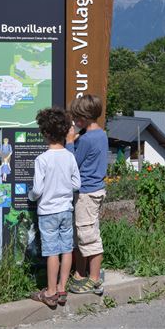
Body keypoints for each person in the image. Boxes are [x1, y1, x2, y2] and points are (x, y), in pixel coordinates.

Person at [29, 107, 81, 307]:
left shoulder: (42, 159)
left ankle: (49, 292)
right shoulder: (69, 157)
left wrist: (31, 196)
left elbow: (38, 190)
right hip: (66, 209)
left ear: (44, 133)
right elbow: (76, 184)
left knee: (52, 252)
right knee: (67, 249)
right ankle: (61, 288)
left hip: (48, 212)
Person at [66, 94, 108, 295]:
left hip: (86, 192)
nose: (74, 121)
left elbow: (73, 163)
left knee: (87, 235)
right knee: (82, 233)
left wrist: (69, 142)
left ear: (83, 118)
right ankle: (80, 273)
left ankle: (93, 278)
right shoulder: (101, 134)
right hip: (96, 189)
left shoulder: (86, 139)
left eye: (76, 118)